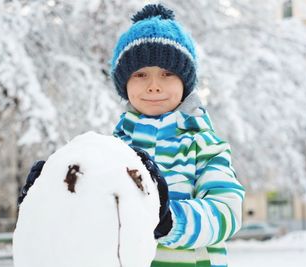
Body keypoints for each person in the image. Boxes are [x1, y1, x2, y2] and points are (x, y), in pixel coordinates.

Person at [19, 4, 245, 267]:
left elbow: (227, 212)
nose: (154, 84)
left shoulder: (204, 145)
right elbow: (91, 221)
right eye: (140, 74)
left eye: (167, 73)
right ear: (124, 83)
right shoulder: (111, 152)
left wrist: (169, 220)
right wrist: (48, 199)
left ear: (185, 82)